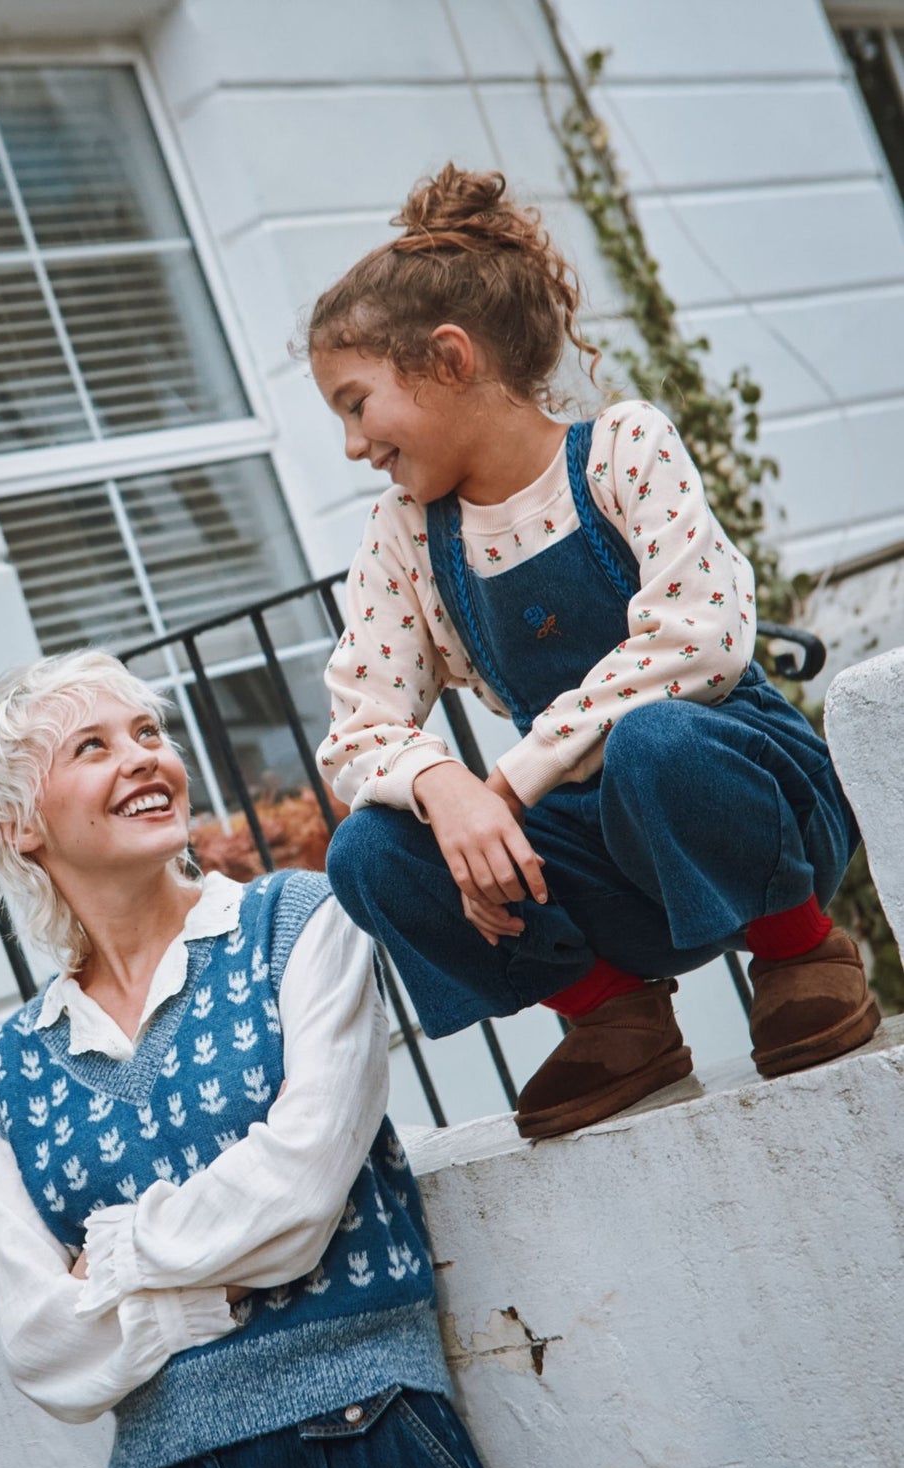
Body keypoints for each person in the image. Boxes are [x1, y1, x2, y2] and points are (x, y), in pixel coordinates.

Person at [0, 649, 573, 1468]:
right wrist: (207, 1294)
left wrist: (127, 1258)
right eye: (91, 746)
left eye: (148, 730)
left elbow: (297, 1199)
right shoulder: (18, 1069)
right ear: (17, 827)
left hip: (367, 1458)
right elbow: (40, 1345)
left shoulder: (302, 926)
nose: (143, 755)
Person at [308, 165, 877, 1140]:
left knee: (654, 742)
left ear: (447, 359)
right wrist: (448, 793)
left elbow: (694, 638)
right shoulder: (404, 535)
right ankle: (609, 1012)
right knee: (369, 847)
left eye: (356, 404)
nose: (354, 444)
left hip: (734, 792)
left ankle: (800, 953)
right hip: (591, 857)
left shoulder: (621, 447)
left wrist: (511, 779)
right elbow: (356, 726)